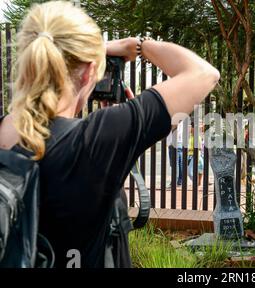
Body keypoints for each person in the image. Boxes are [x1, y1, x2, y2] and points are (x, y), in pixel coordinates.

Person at [0, 1, 219, 268]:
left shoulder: (5, 133)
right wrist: (138, 46)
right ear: (91, 70)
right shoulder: (96, 140)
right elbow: (204, 73)